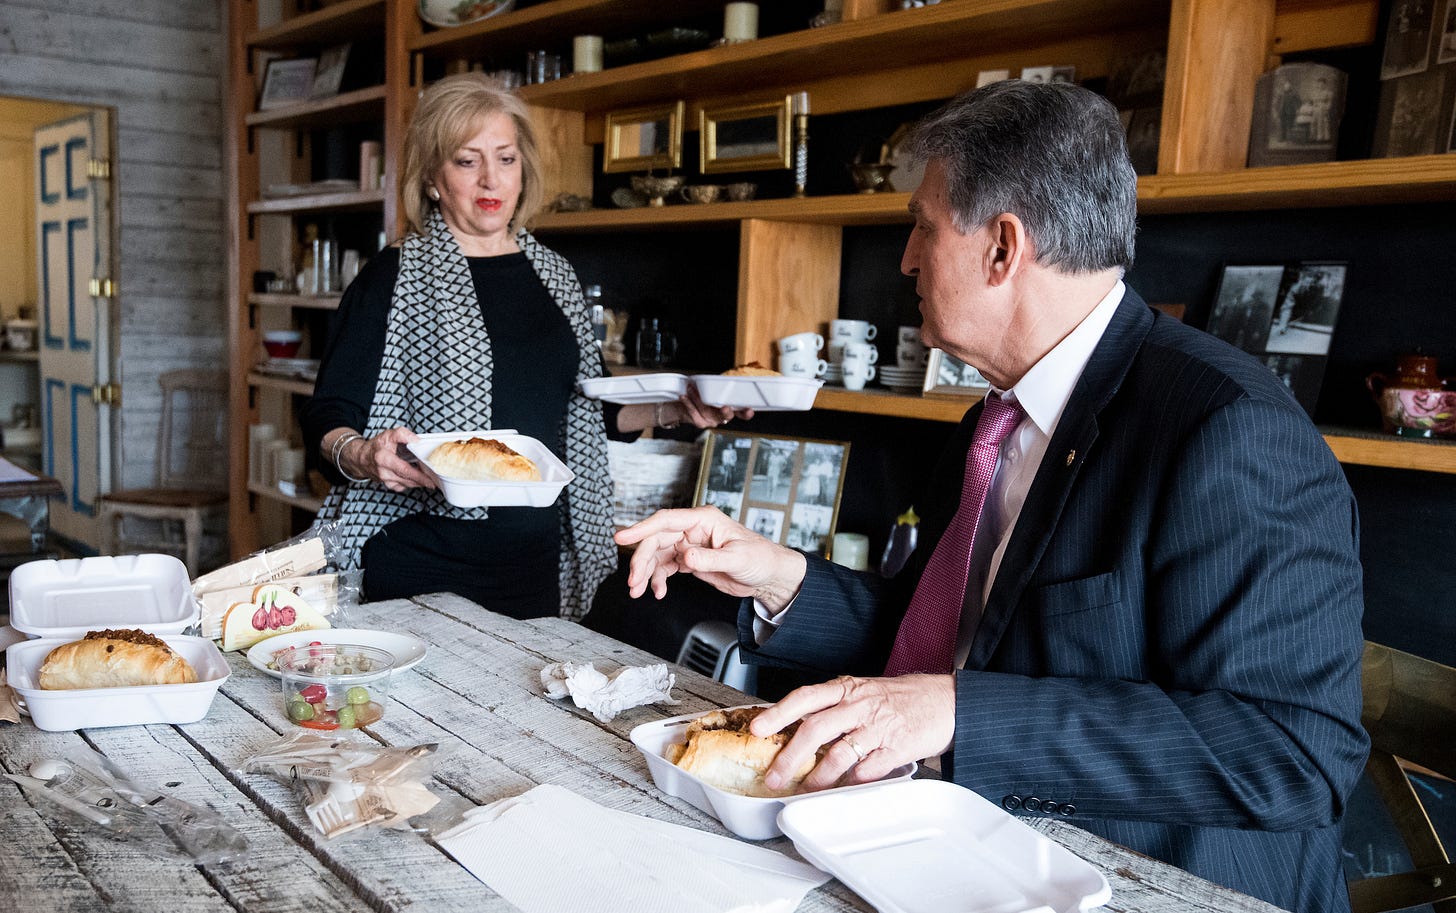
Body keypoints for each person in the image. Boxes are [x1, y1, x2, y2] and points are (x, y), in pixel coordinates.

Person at [616, 80, 1366, 913]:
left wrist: (961, 714)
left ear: (1003, 248)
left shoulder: (1228, 429)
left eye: (922, 226)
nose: (904, 258)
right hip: (964, 853)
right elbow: (940, 644)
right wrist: (780, 577)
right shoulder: (995, 421)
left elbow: (1295, 752)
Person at [302, 73, 745, 620]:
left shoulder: (556, 277)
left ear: (523, 169)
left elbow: (587, 413)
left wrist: (677, 409)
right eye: (467, 161)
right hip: (418, 558)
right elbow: (327, 413)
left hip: (532, 563)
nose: (490, 178)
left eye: (505, 159)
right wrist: (363, 454)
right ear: (434, 179)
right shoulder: (395, 276)